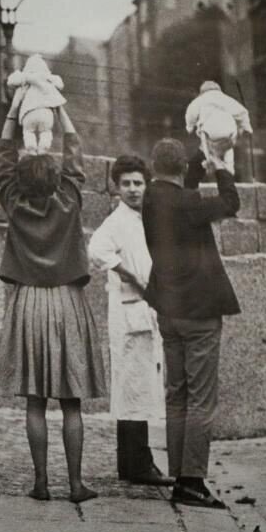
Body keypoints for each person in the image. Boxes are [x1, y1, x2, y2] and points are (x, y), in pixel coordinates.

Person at [0, 96, 106, 504]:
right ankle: (76, 485)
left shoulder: (13, 202)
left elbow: (3, 161)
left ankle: (41, 482)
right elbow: (75, 156)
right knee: (71, 402)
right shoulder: (70, 200)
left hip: (28, 303)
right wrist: (60, 108)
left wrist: (14, 109)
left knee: (35, 402)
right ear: (58, 179)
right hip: (66, 302)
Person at [142, 139, 240, 509]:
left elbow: (186, 186)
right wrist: (222, 168)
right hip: (199, 312)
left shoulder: (152, 197)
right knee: (201, 399)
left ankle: (178, 474)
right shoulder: (188, 204)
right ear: (181, 168)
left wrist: (203, 152)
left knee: (177, 395)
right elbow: (231, 203)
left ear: (153, 166)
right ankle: (193, 481)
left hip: (168, 310)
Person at [88, 155, 174, 486]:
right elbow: (96, 250)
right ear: (116, 187)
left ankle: (131, 462)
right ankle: (138, 463)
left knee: (139, 387)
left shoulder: (145, 217)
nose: (133, 189)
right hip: (129, 309)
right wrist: (130, 274)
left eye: (138, 183)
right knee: (133, 386)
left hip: (145, 309)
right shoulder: (117, 221)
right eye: (126, 183)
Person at [185, 80, 253, 175]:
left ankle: (209, 159)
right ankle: (230, 165)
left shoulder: (200, 100)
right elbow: (242, 112)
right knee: (229, 148)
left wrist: (190, 127)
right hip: (229, 133)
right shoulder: (226, 99)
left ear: (202, 93)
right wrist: (247, 127)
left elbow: (190, 113)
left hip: (210, 133)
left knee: (202, 131)